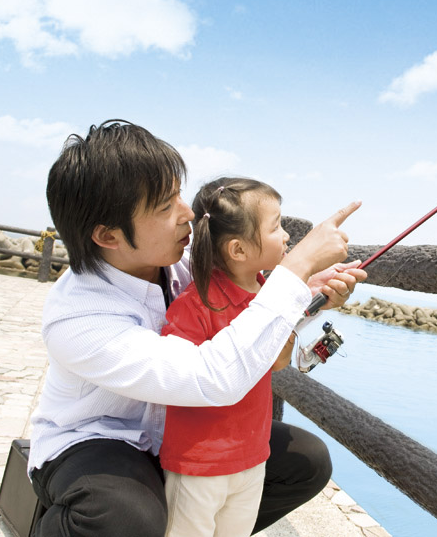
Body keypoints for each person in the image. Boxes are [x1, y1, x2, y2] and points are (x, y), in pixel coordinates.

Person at [28, 120, 366, 537]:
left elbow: (244, 313)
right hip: (98, 443)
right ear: (108, 235)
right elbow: (211, 376)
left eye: (179, 196)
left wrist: (308, 295)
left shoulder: (186, 265)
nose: (188, 213)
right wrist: (295, 269)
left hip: (180, 435)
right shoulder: (78, 317)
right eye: (166, 207)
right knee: (124, 517)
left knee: (305, 461)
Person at [161, 177, 298, 536]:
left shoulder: (271, 296)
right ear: (238, 250)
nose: (286, 236)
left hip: (252, 458)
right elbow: (177, 377)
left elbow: (275, 363)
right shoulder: (193, 305)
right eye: (276, 226)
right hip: (197, 466)